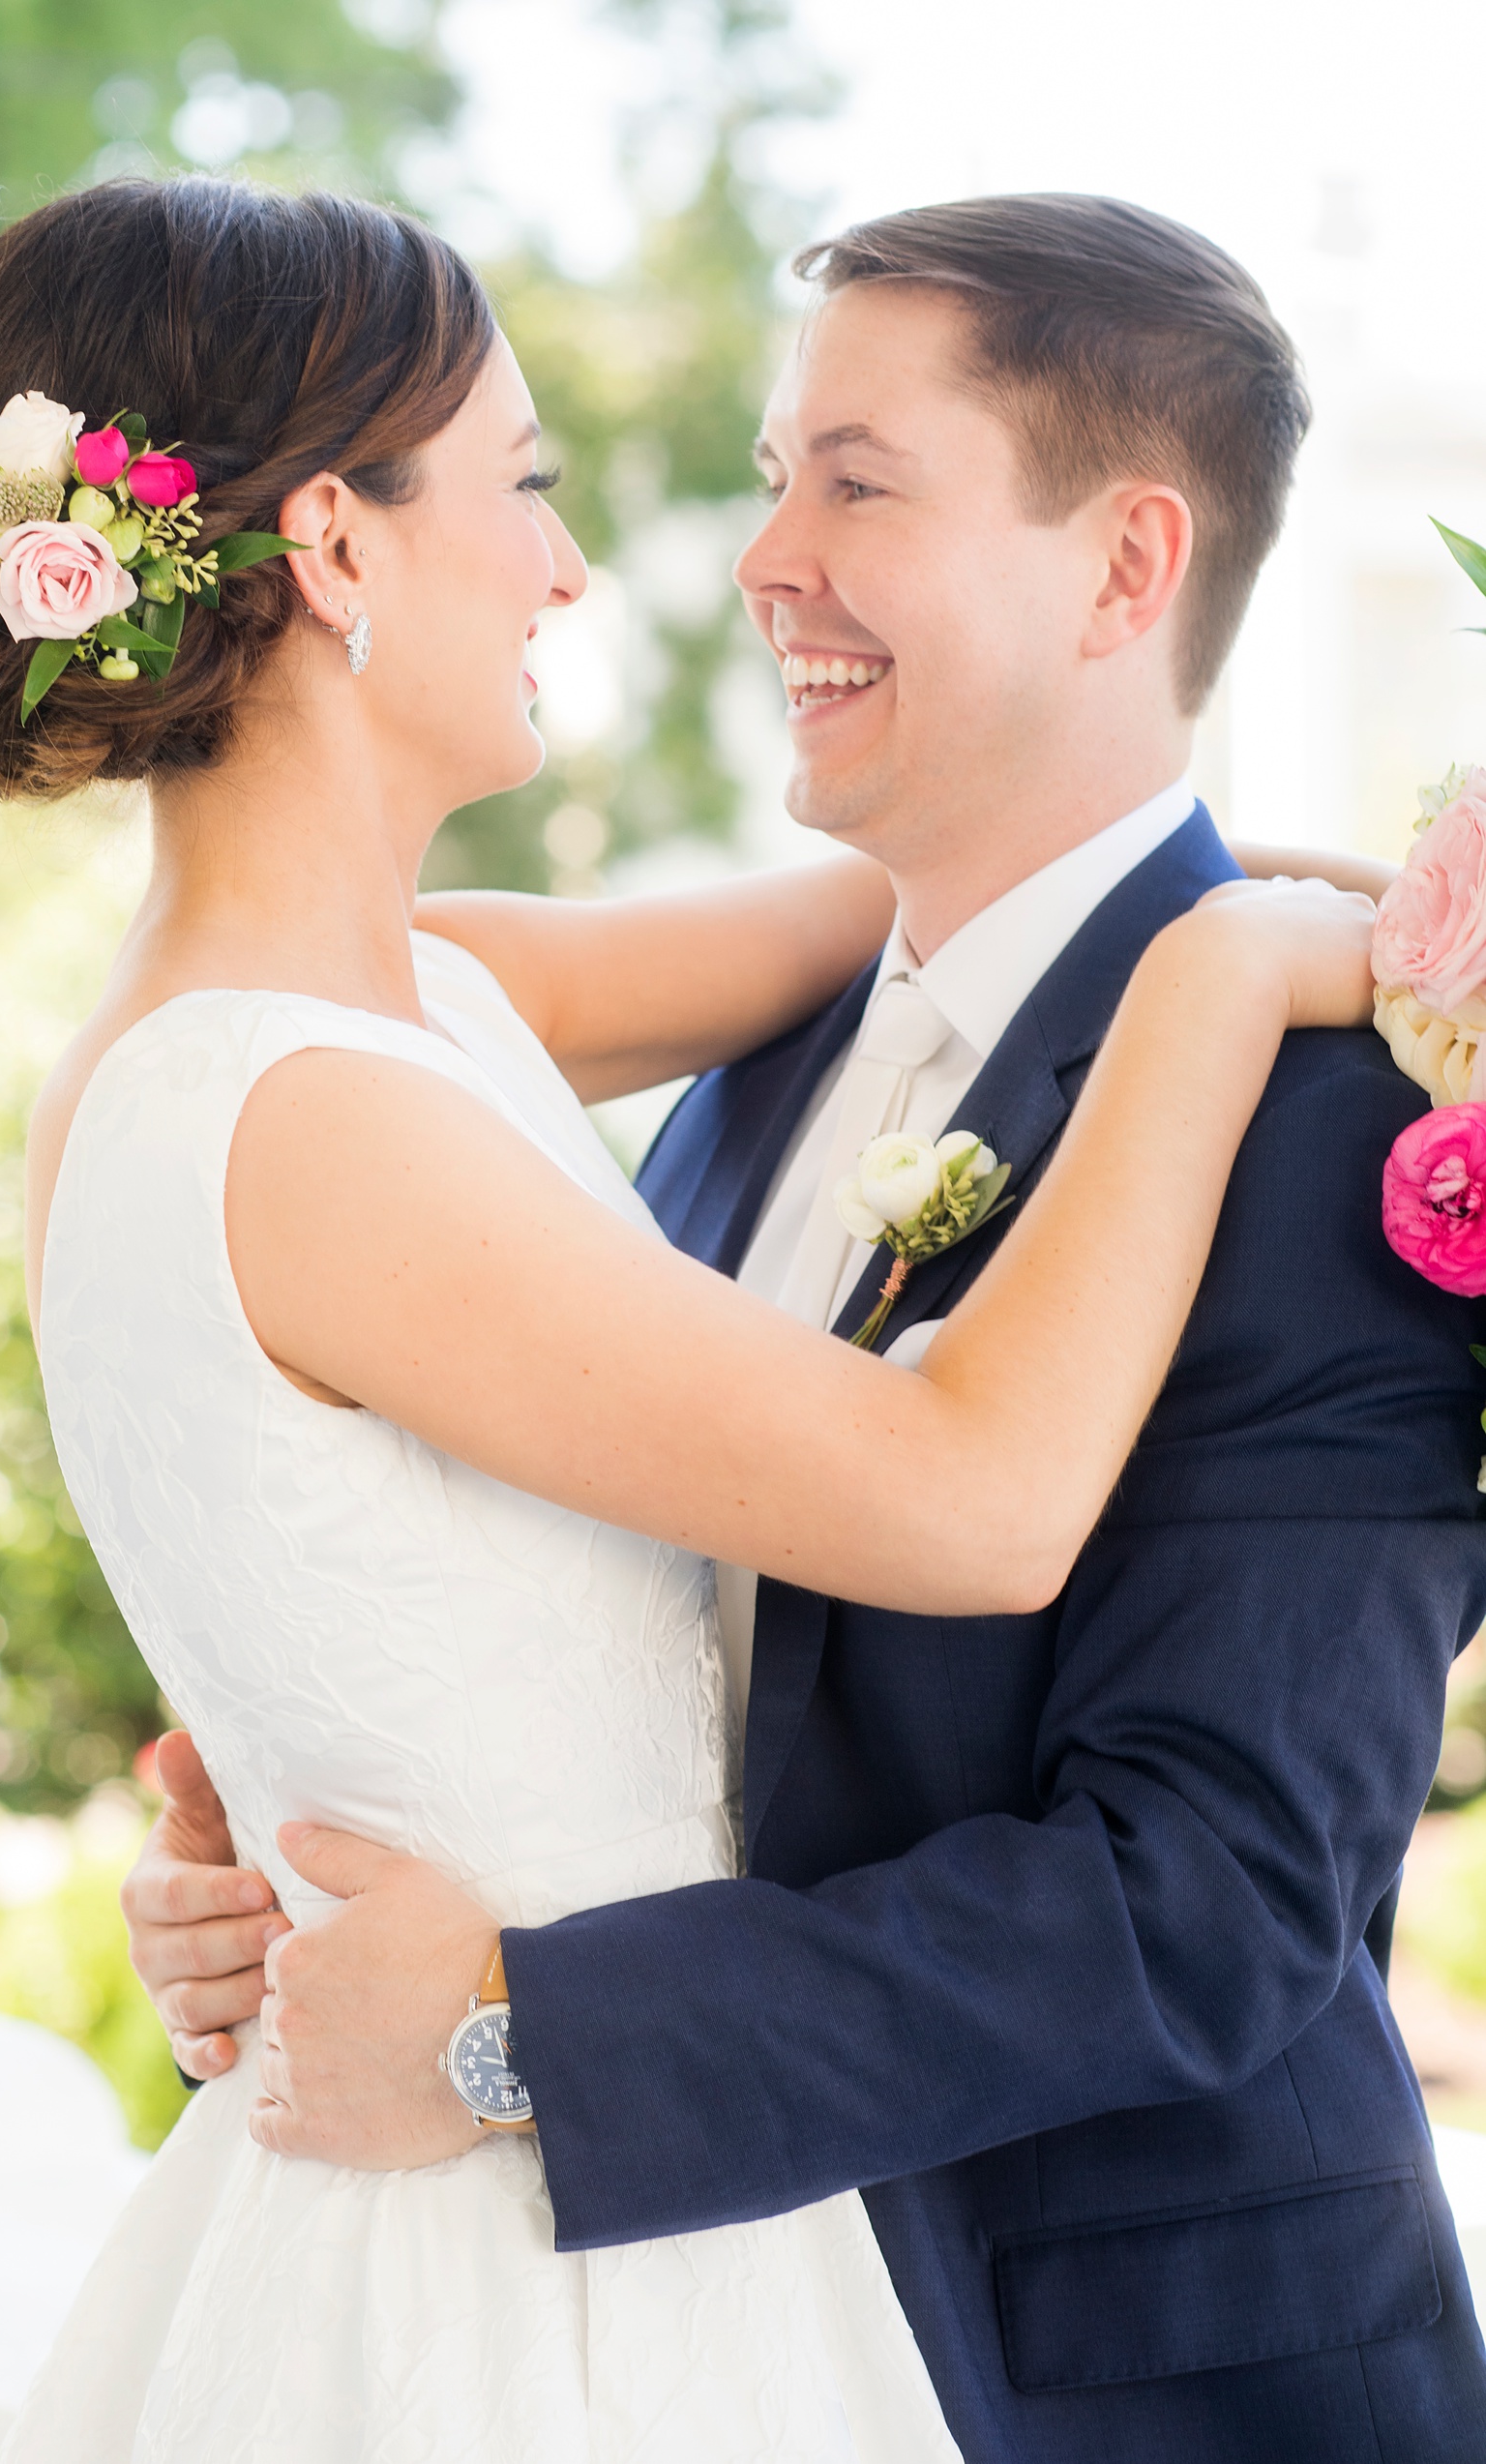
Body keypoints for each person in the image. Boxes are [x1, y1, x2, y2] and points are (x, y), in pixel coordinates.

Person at [124, 195, 1486, 2462]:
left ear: (1124, 568)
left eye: (855, 481)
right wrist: (283, 1870)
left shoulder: (1329, 1127)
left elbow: (1214, 1895)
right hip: (687, 2347)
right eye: (773, 476)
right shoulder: (746, 1064)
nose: (762, 556)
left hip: (1112, 2382)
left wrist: (505, 2033)